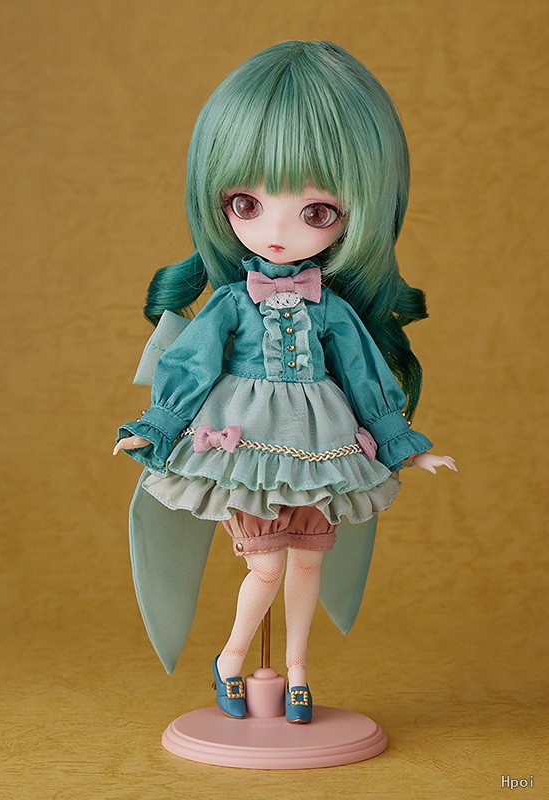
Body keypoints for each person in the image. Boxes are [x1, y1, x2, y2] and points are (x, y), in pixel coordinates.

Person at [113, 40, 457, 724]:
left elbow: (364, 378)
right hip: (246, 445)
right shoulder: (231, 303)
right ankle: (231, 659)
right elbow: (190, 367)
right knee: (265, 566)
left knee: (307, 564)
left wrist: (405, 445)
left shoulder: (331, 309)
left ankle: (298, 670)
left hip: (322, 445)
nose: (275, 231)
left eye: (316, 211)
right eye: (247, 202)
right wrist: (155, 427)